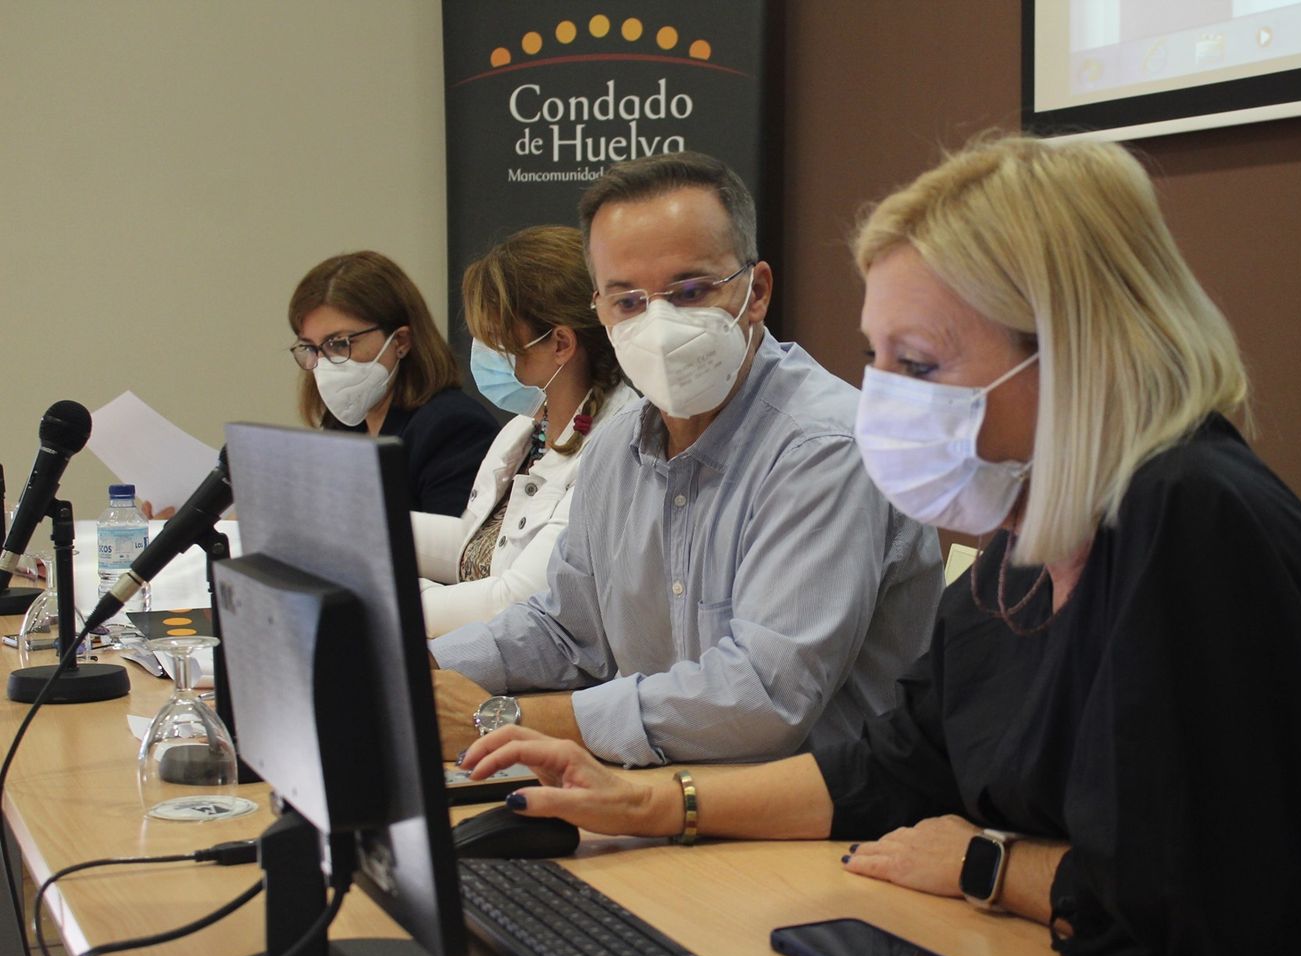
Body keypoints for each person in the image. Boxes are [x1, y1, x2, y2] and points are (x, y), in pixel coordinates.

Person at [457, 137, 1301, 956]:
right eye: (877, 359)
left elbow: (1182, 900)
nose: (883, 401)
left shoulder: (1187, 514)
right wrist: (636, 799)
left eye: (918, 362)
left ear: (1078, 346)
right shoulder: (1030, 524)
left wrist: (983, 862)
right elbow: (891, 765)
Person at [429, 151, 944, 765]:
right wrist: (419, 673)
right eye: (627, 301)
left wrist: (501, 719)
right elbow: (567, 628)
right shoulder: (617, 442)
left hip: (813, 824)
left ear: (757, 292)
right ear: (598, 309)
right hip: (656, 795)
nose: (660, 324)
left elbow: (762, 697)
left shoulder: (825, 448)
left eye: (692, 291)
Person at [411, 226, 638, 637]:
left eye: (497, 340)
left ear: (561, 344)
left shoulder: (617, 445)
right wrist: (369, 533)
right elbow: (474, 548)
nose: (483, 355)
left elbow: (515, 601)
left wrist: (390, 599)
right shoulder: (526, 429)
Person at [289, 250, 498, 515]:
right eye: (310, 347)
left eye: (338, 344)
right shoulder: (343, 426)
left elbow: (452, 549)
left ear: (400, 341)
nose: (324, 363)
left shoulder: (453, 428)